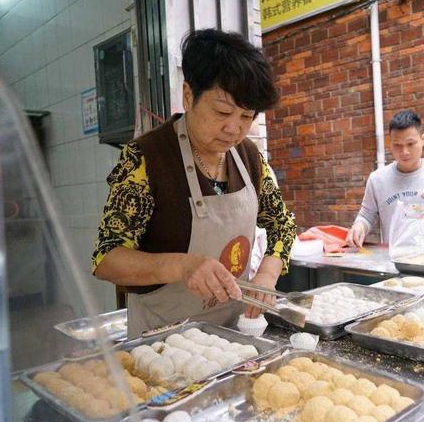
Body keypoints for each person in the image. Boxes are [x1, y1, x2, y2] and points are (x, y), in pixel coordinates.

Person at [92, 29, 297, 337]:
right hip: (162, 340)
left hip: (233, 334)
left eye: (246, 116)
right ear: (188, 95)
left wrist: (268, 274)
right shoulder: (145, 159)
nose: (234, 128)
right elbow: (107, 258)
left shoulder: (249, 157)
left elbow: (283, 225)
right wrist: (183, 267)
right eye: (223, 112)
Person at [346, 110, 424, 248]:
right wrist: (358, 226)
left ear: (423, 139)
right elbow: (366, 216)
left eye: (410, 144)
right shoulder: (377, 180)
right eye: (397, 145)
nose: (404, 152)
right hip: (393, 262)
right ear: (390, 144)